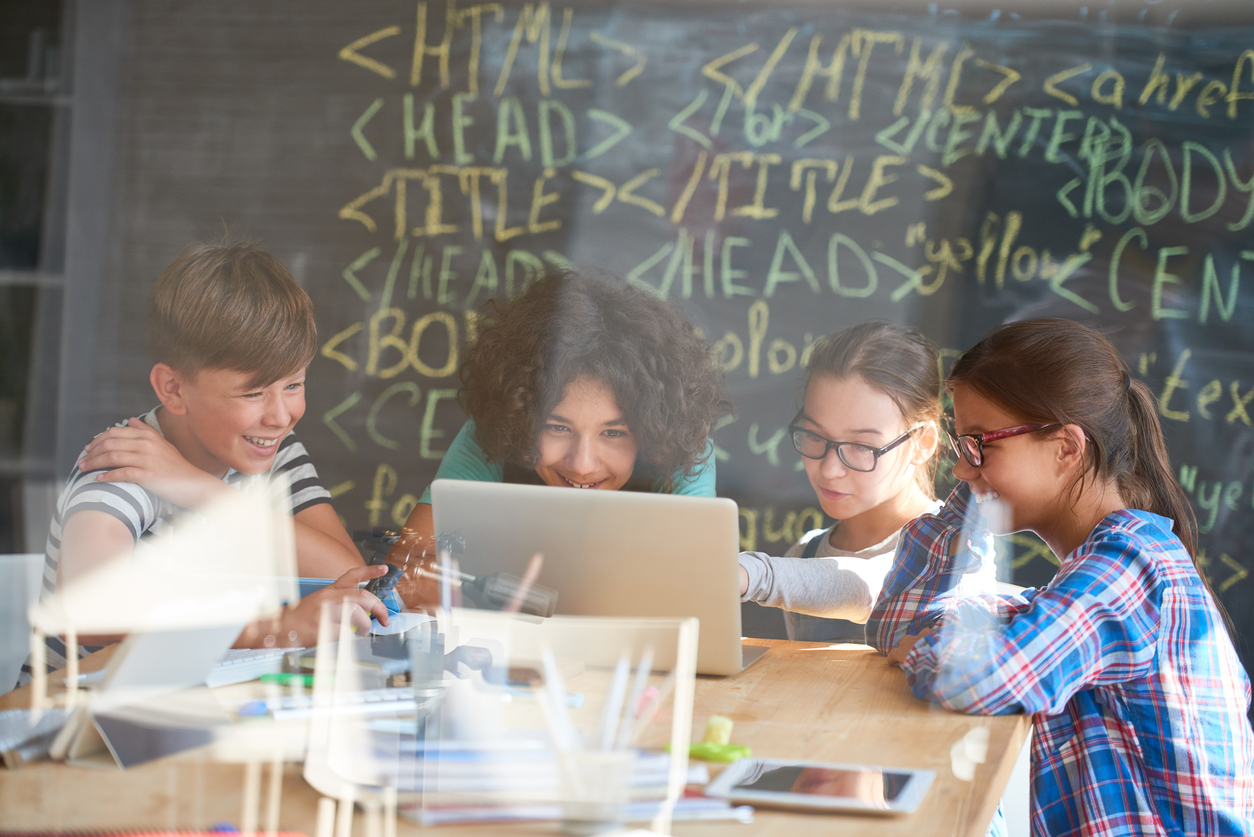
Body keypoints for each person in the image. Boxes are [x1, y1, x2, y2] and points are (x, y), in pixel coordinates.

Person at [871, 318, 1254, 834]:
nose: (960, 470)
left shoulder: (1130, 566)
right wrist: (979, 486)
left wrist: (929, 645)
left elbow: (985, 677)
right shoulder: (1082, 582)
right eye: (961, 448)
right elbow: (897, 628)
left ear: (1067, 449)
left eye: (980, 444)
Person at [18, 242, 388, 687]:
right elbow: (87, 613)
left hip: (192, 705)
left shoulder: (273, 450)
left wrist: (204, 492)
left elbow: (345, 575)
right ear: (173, 389)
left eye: (294, 385)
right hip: (74, 715)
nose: (280, 415)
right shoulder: (122, 467)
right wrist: (272, 629)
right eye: (253, 393)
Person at [386, 267, 725, 600]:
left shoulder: (679, 445)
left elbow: (700, 589)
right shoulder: (496, 431)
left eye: (613, 433)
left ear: (653, 429)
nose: (582, 465)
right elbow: (407, 575)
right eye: (558, 427)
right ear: (519, 416)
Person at [738, 321, 949, 642]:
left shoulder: (956, 549)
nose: (829, 469)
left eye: (862, 446)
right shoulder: (804, 555)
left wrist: (752, 574)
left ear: (923, 443)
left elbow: (871, 586)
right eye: (814, 435)